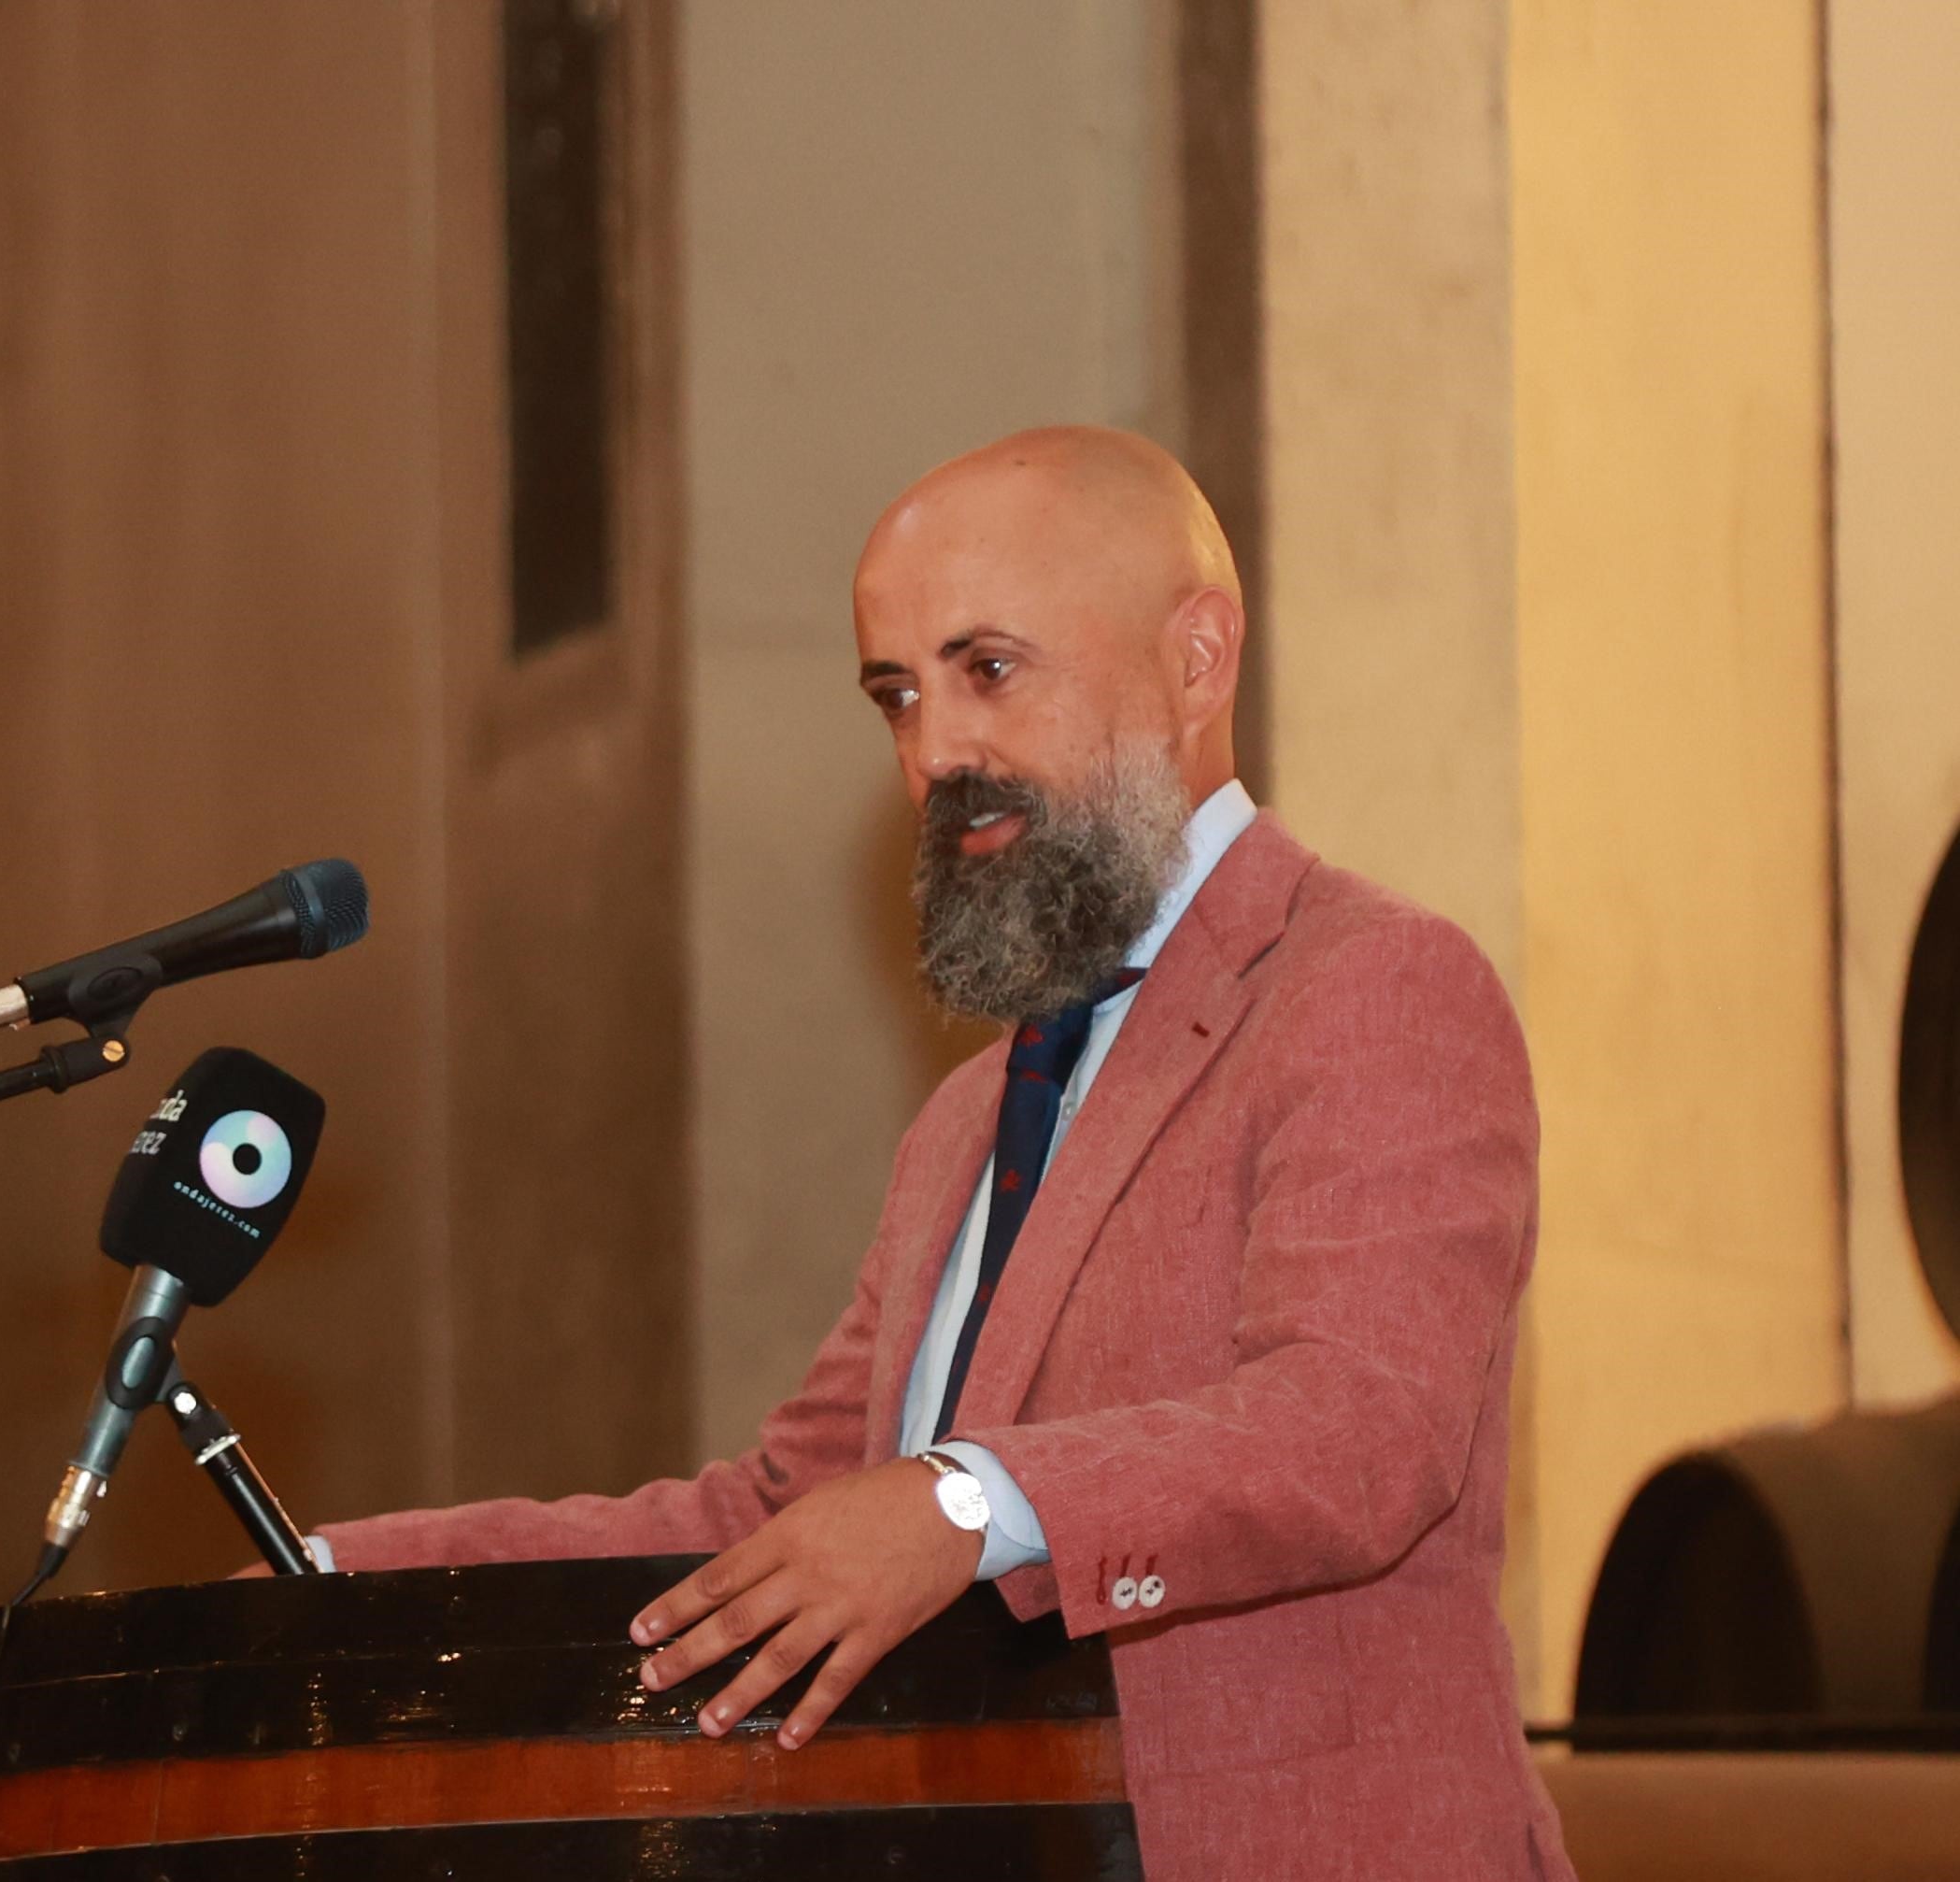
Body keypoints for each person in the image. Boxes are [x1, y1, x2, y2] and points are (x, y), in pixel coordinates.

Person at [304, 427, 1574, 1880]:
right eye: (897, 696)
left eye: (989, 670)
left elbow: (1357, 1427)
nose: (937, 753)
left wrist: (966, 1503)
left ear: (1197, 659)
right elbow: (786, 1522)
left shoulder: (1369, 985)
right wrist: (350, 1586)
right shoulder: (966, 1123)